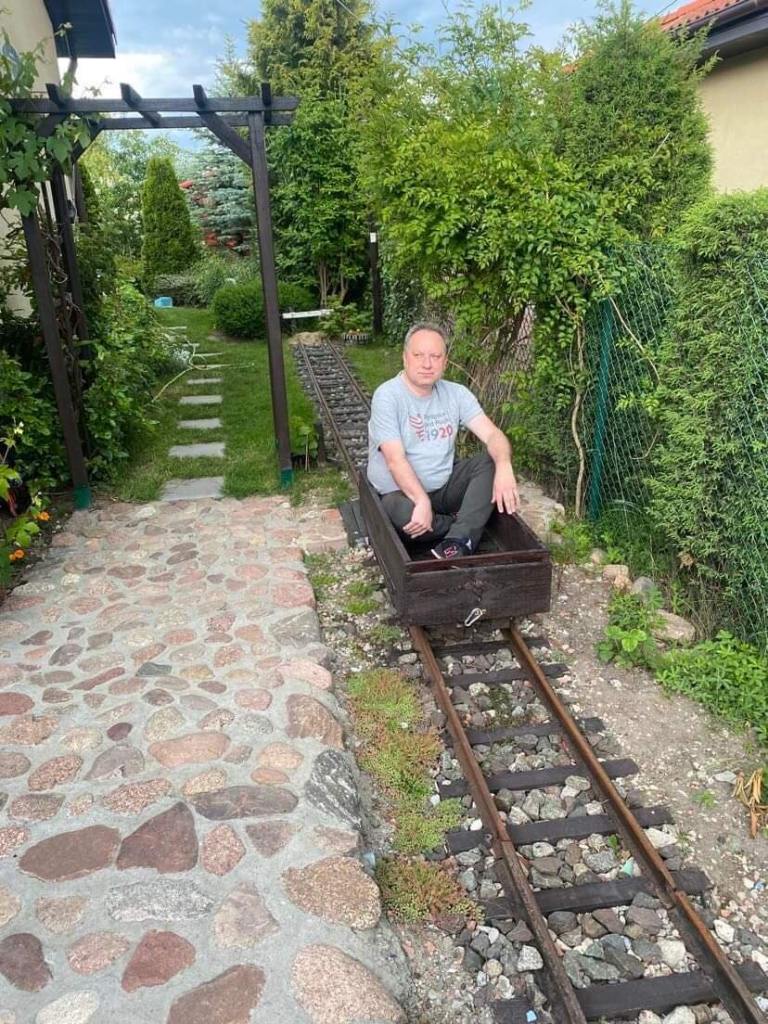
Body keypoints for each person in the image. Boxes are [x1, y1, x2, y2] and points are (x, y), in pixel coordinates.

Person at [366, 321, 519, 559]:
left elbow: (493, 435)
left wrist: (504, 465)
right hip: (401, 494)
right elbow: (395, 460)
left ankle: (457, 541)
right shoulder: (387, 396)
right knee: (401, 514)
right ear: (405, 358)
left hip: (443, 488)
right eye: (419, 355)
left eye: (435, 357)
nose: (427, 364)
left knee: (490, 461)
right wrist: (421, 501)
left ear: (445, 362)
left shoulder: (456, 394)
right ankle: (461, 524)